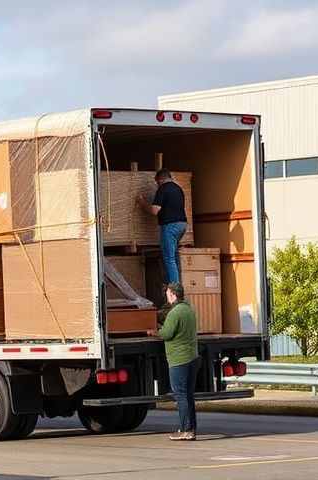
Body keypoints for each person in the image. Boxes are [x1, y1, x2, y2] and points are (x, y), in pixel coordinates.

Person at [147, 282, 199, 441]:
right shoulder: (188, 310)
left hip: (179, 359)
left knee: (181, 395)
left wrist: (154, 332)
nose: (167, 296)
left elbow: (167, 333)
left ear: (173, 294)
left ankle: (185, 430)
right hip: (192, 357)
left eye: (168, 294)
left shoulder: (175, 312)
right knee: (188, 395)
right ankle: (191, 429)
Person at [136, 168, 187, 284]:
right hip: (182, 225)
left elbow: (155, 210)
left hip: (170, 226)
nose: (157, 185)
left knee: (169, 259)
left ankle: (175, 291)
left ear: (160, 180)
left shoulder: (163, 189)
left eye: (157, 183)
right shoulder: (178, 189)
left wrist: (142, 203)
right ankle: (177, 284)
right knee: (174, 257)